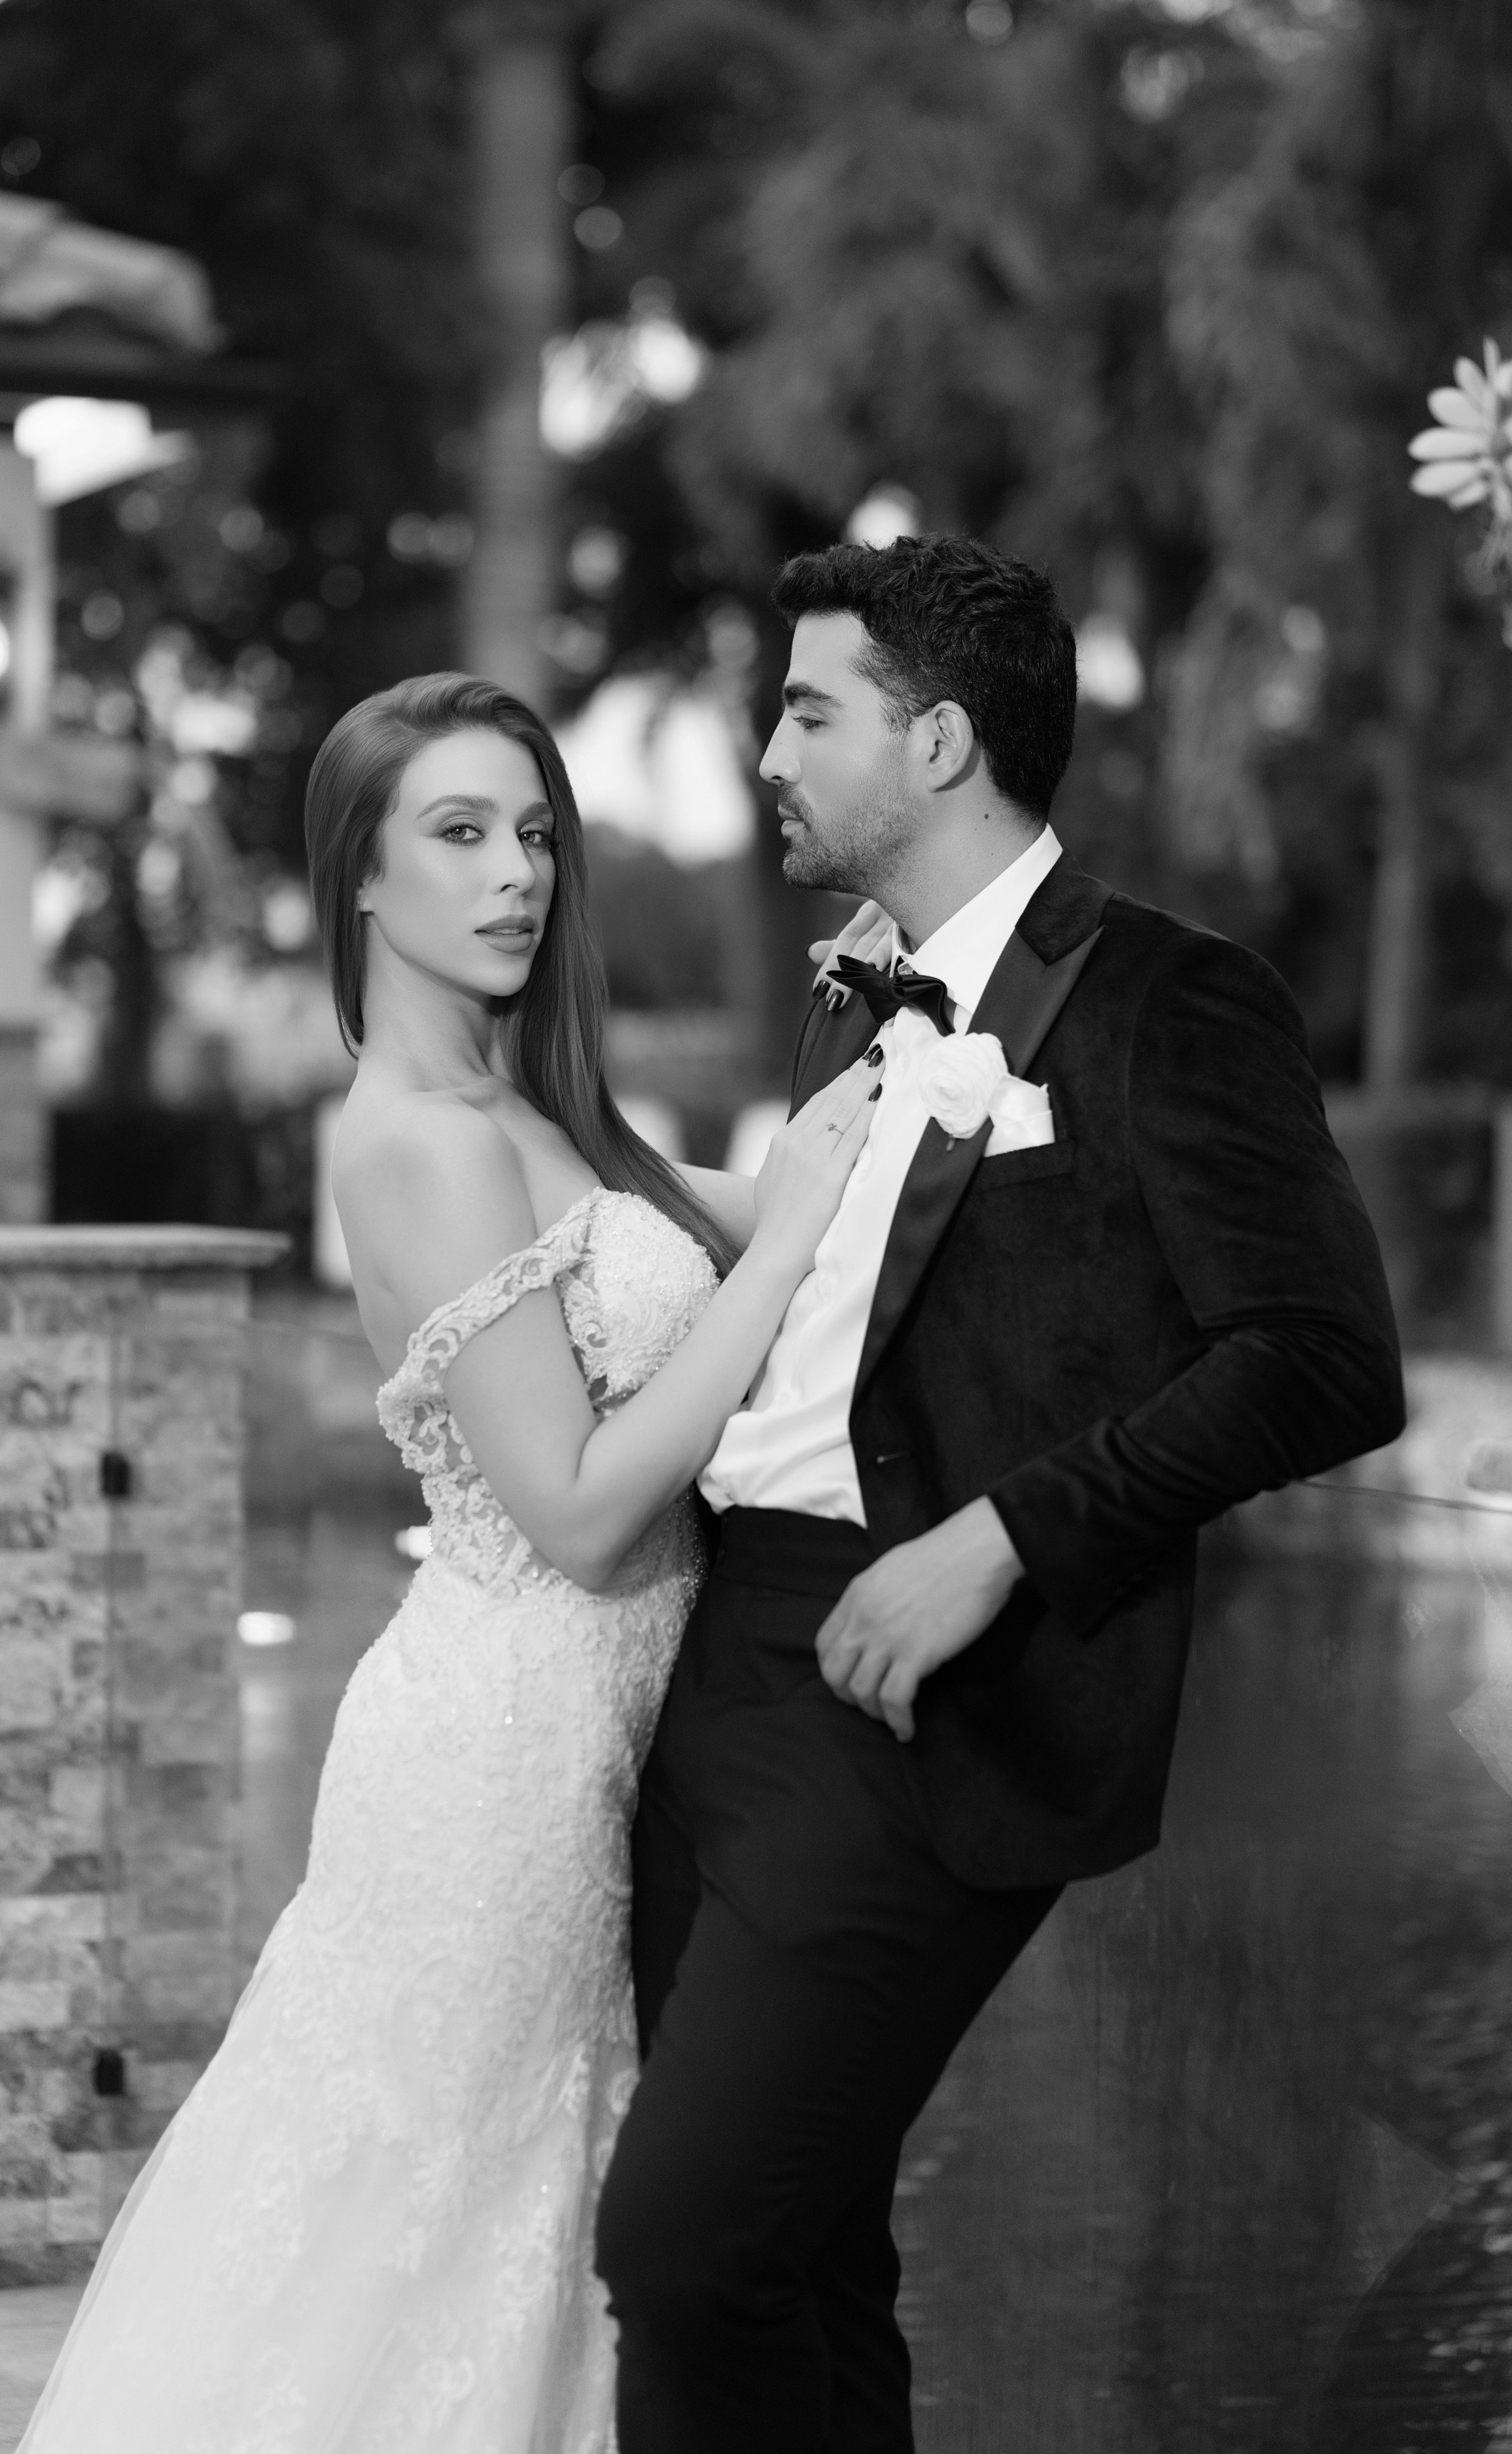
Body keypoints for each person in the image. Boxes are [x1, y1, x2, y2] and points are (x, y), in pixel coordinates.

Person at [593, 531, 1407, 2454]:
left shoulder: (1165, 1002)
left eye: (807, 711)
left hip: (924, 1693)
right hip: (716, 1673)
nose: (763, 749)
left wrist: (1003, 1539)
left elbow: (1319, 1356)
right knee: (799, 2258)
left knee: (684, 2244)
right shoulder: (848, 1000)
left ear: (940, 741)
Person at [16, 671, 880, 2454]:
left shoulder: (530, 1107)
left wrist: (871, 1043)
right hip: (492, 1761)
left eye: (537, 833)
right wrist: (785, 1232)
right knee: (419, 2226)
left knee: (536, 2223)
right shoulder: (411, 1142)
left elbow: (709, 1242)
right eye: (461, 834)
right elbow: (571, 1512)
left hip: (594, 1757)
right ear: (360, 879)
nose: (519, 876)